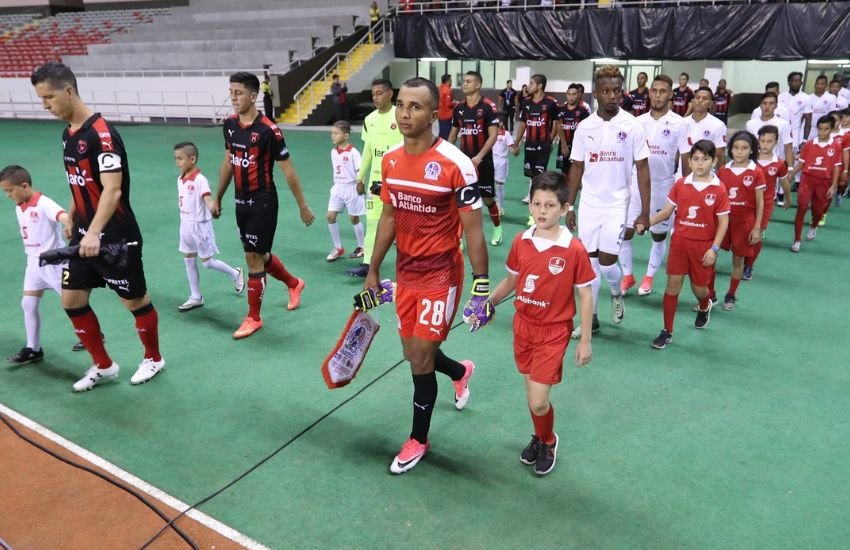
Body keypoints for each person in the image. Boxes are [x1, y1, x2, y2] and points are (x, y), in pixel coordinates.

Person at [363, 77, 488, 475]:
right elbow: (388, 218)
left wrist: (481, 286)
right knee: (415, 354)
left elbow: (473, 231)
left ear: (434, 115)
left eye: (415, 107)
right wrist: (373, 268)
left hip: (441, 275)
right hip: (406, 273)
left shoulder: (456, 164)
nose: (404, 113)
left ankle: (418, 438)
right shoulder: (391, 161)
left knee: (419, 358)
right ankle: (460, 371)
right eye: (401, 104)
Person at [31, 61, 164, 391]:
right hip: (83, 236)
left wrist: (93, 232)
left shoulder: (102, 135)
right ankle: (104, 365)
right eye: (41, 99)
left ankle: (153, 358)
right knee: (71, 301)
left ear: (68, 91)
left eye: (48, 97)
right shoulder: (68, 134)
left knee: (134, 302)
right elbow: (80, 181)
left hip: (116, 237)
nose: (45, 105)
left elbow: (112, 189)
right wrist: (73, 216)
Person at [487, 171, 594, 476]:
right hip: (523, 326)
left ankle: (548, 440)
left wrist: (586, 340)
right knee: (531, 393)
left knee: (537, 401)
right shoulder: (521, 241)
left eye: (550, 205)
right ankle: (540, 436)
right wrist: (489, 302)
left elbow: (585, 294)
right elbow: (512, 280)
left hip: (553, 331)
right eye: (537, 204)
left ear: (564, 208)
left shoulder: (573, 249)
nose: (542, 211)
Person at [212, 72, 315, 339]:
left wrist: (303, 206)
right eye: (231, 92)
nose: (234, 98)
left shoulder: (269, 130)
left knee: (253, 258)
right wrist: (218, 196)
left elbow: (288, 170)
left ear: (253, 96)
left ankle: (253, 318)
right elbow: (229, 161)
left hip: (263, 201)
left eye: (239, 93)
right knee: (259, 253)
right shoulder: (229, 125)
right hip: (240, 201)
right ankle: (294, 283)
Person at [566, 65, 651, 338]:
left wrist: (644, 212)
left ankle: (616, 292)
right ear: (596, 93)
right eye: (606, 91)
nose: (612, 96)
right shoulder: (584, 127)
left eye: (616, 90)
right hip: (589, 204)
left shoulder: (632, 126)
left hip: (617, 204)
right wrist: (570, 205)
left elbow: (643, 169)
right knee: (588, 266)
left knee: (606, 263)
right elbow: (576, 167)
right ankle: (590, 319)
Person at [1, 165, 88, 365]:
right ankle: (33, 348)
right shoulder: (19, 206)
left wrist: (69, 224)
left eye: (10, 190)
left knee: (73, 303)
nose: (8, 195)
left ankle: (93, 333)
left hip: (54, 263)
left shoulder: (43, 203)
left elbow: (63, 216)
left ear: (24, 186)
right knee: (28, 303)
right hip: (33, 263)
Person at [648, 140, 730, 350]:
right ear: (689, 162)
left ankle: (704, 304)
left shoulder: (719, 189)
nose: (700, 163)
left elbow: (723, 222)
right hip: (680, 243)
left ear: (714, 161)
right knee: (672, 285)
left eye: (705, 159)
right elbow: (666, 212)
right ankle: (667, 331)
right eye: (696, 159)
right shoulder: (681, 184)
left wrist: (714, 248)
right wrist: (647, 222)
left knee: (699, 289)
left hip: (704, 247)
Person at [619, 74, 690, 297]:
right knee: (626, 232)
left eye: (663, 91)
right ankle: (628, 276)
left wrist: (686, 191)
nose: (658, 95)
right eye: (654, 91)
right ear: (649, 93)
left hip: (664, 187)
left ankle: (648, 277)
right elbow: (627, 155)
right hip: (636, 185)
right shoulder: (637, 122)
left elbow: (686, 159)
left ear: (670, 95)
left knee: (658, 236)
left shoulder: (680, 124)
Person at [173, 142, 244, 312]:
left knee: (207, 263)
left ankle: (235, 273)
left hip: (200, 227)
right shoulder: (180, 179)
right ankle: (196, 297)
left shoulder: (200, 180)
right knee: (188, 259)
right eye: (176, 158)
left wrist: (213, 207)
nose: (177, 162)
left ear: (192, 159)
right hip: (185, 225)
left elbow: (207, 199)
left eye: (180, 158)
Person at [347, 78, 403, 278]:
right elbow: (368, 150)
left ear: (390, 94)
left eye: (379, 93)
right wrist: (360, 178)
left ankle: (408, 264)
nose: (375, 98)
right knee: (372, 223)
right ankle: (367, 264)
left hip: (398, 182)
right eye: (373, 94)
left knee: (403, 225)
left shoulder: (400, 116)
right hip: (375, 183)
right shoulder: (369, 119)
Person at [448, 70, 503, 245]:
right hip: (464, 164)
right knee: (461, 200)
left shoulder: (488, 106)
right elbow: (453, 135)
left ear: (478, 85)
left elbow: (493, 135)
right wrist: (447, 155)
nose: (464, 84)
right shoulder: (459, 108)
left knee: (487, 199)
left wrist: (479, 157)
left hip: (483, 162)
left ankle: (497, 229)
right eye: (463, 81)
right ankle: (458, 238)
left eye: (468, 81)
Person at [715, 131, 765, 312]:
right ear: (730, 149)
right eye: (736, 147)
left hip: (744, 222)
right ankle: (710, 294)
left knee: (738, 260)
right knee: (711, 256)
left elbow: (760, 203)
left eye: (744, 148)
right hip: (722, 221)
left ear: (751, 150)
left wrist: (757, 228)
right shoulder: (723, 170)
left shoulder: (756, 172)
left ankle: (731, 294)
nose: (739, 151)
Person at [743, 126, 791, 280]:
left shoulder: (780, 163)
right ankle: (742, 258)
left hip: (766, 204)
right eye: (762, 141)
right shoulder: (749, 160)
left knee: (757, 234)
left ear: (776, 142)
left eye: (769, 141)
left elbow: (784, 182)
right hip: (746, 203)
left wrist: (788, 198)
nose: (765, 144)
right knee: (744, 234)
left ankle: (749, 265)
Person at [789, 115, 843, 252]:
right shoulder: (809, 144)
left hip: (824, 183)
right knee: (802, 207)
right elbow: (802, 163)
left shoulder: (836, 146)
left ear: (831, 129)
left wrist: (833, 186)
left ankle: (813, 226)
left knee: (818, 212)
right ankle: (797, 240)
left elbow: (836, 167)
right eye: (820, 129)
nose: (822, 132)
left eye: (826, 129)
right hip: (807, 180)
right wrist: (792, 173)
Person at [511, 74, 561, 208]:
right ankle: (534, 198)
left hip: (543, 146)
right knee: (532, 176)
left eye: (531, 83)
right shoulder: (526, 102)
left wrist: (550, 140)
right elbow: (523, 124)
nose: (528, 86)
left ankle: (537, 202)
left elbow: (556, 123)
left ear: (539, 86)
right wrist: (516, 143)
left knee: (539, 176)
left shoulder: (551, 103)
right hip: (529, 145)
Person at [325, 121, 365, 261]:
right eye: (332, 133)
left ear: (346, 135)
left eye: (336, 133)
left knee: (354, 218)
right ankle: (338, 248)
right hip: (337, 188)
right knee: (330, 217)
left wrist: (360, 183)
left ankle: (362, 246)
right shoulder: (333, 152)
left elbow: (360, 170)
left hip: (351, 187)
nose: (333, 136)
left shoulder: (354, 153)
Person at [683, 87, 727, 172]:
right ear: (693, 101)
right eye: (697, 97)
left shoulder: (718, 125)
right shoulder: (682, 123)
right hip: (682, 174)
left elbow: (720, 156)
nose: (700, 100)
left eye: (705, 98)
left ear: (710, 104)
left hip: (706, 175)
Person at [745, 93, 794, 168]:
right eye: (764, 103)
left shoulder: (783, 124)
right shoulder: (750, 124)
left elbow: (788, 148)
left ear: (776, 106)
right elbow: (747, 146)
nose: (767, 106)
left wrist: (790, 168)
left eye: (771, 103)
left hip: (775, 167)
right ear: (760, 105)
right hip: (754, 165)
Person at [779, 72, 813, 172]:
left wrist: (804, 140)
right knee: (780, 159)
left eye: (798, 81)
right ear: (789, 82)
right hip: (780, 132)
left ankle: (791, 178)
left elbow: (808, 121)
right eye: (793, 80)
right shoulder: (781, 97)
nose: (796, 83)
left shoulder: (806, 98)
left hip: (795, 134)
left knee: (792, 160)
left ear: (801, 82)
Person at [556, 83, 591, 179]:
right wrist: (563, 145)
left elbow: (587, 130)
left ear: (578, 95)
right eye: (569, 94)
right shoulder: (560, 109)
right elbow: (558, 125)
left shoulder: (583, 111)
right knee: (564, 173)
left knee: (577, 172)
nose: (571, 97)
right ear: (566, 94)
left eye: (574, 94)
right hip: (564, 146)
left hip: (578, 147)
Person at [492, 119, 514, 215]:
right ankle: (494, 204)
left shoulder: (506, 134)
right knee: (490, 185)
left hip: (502, 162)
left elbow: (511, 148)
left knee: (499, 186)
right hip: (491, 161)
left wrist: (514, 150)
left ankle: (500, 208)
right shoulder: (491, 132)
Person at [438, 74, 454, 139]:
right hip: (446, 115)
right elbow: (448, 104)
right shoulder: (447, 90)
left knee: (442, 133)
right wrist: (455, 103)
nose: (451, 81)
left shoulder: (440, 88)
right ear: (448, 81)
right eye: (451, 80)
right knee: (446, 134)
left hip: (440, 114)